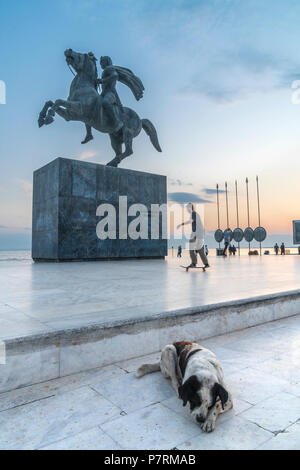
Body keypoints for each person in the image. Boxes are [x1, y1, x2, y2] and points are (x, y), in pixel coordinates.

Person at [82, 55, 124, 144]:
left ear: (107, 62)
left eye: (102, 62)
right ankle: (89, 134)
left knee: (105, 103)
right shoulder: (105, 71)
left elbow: (115, 76)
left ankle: (117, 122)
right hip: (104, 94)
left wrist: (102, 81)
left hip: (111, 94)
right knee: (89, 108)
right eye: (100, 63)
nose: (101, 64)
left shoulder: (109, 68)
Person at [177, 203, 209, 269]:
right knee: (200, 249)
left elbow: (191, 221)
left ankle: (194, 263)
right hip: (200, 233)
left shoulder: (193, 213)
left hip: (196, 234)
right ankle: (206, 263)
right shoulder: (196, 214)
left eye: (187, 208)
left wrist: (181, 224)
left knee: (191, 248)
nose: (186, 210)